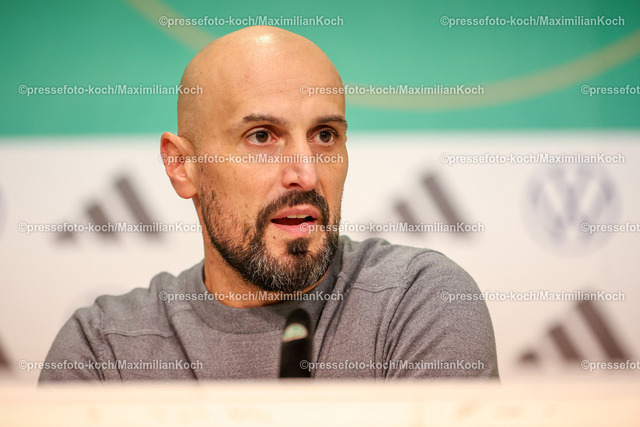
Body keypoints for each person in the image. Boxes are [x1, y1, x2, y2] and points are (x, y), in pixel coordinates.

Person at [39, 26, 498, 381]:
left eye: (324, 135)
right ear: (182, 165)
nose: (306, 174)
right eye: (261, 136)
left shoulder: (416, 301)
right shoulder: (104, 349)